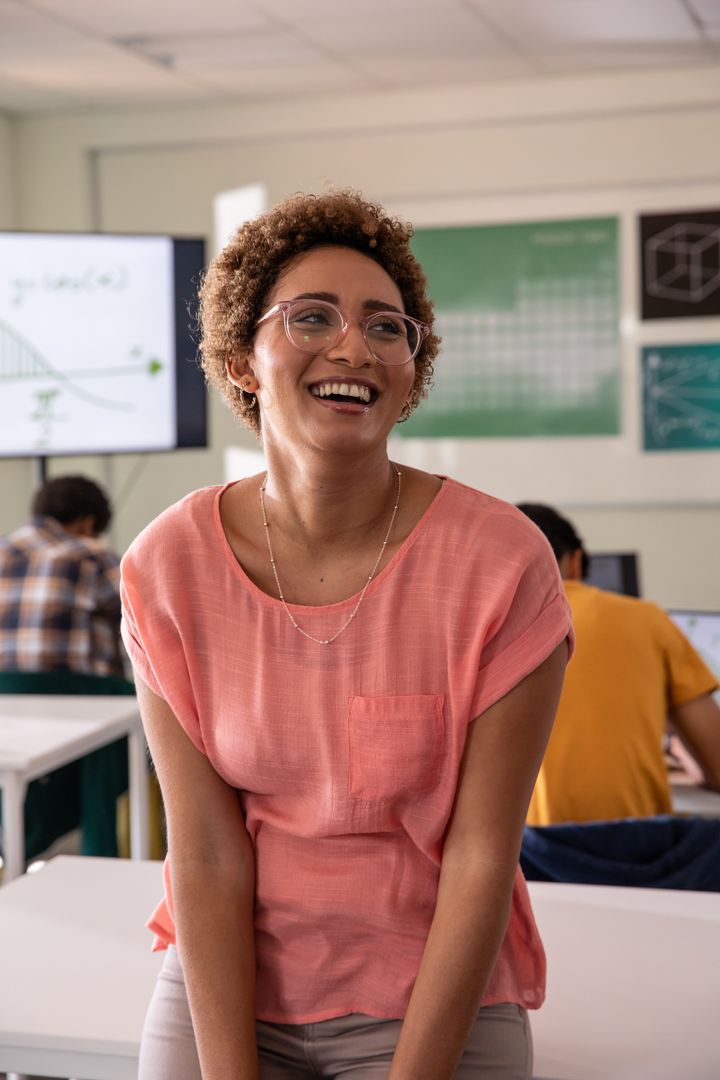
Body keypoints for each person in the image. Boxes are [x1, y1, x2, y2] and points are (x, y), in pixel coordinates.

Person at [121, 190, 572, 1080]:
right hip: (230, 983)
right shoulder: (168, 563)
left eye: (387, 327)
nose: (353, 348)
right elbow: (205, 851)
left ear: (411, 371)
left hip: (436, 989)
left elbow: (483, 856)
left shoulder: (502, 562)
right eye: (312, 318)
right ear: (240, 359)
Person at [517, 503, 720, 827]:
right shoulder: (648, 619)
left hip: (528, 855)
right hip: (638, 846)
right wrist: (679, 750)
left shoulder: (480, 631)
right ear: (577, 560)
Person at [0, 474, 124, 678]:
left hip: (6, 698)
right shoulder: (92, 555)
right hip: (84, 696)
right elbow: (141, 627)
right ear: (87, 524)